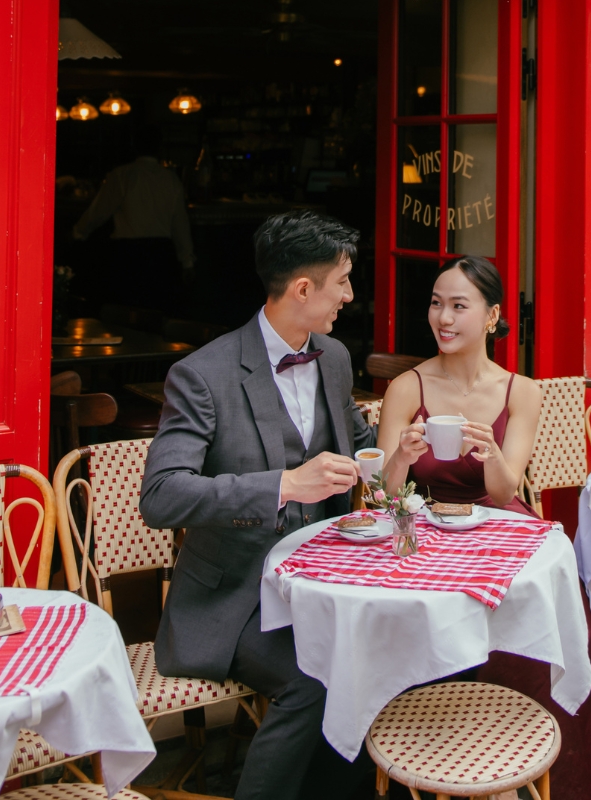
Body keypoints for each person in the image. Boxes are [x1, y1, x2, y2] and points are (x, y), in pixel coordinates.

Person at [375, 256, 591, 800]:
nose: (444, 317)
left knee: (540, 619)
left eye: (459, 306)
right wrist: (400, 458)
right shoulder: (406, 387)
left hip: (498, 526)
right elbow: (387, 498)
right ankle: (436, 756)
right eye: (437, 303)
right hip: (425, 533)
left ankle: (533, 761)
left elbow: (507, 490)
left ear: (492, 317)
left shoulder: (522, 391)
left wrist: (488, 450)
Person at [139, 210, 375, 800]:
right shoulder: (202, 374)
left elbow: (360, 448)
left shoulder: (336, 357)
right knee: (316, 680)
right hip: (236, 596)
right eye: (342, 281)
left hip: (328, 582)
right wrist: (285, 485)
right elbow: (162, 495)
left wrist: (393, 457)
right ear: (302, 289)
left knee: (377, 659)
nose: (350, 295)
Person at [72, 126, 194, 313]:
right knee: (155, 312)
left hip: (128, 255)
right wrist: (187, 261)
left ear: (134, 146)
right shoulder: (171, 179)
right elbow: (180, 224)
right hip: (160, 255)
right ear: (159, 147)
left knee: (126, 311)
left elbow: (99, 211)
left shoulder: (122, 176)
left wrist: (79, 233)